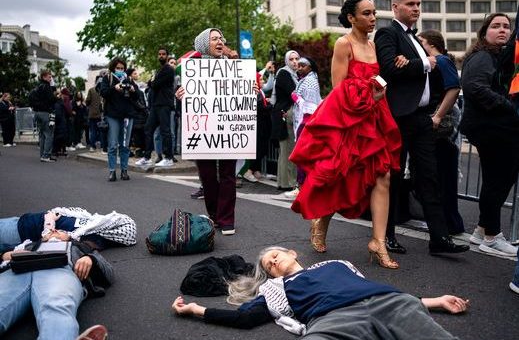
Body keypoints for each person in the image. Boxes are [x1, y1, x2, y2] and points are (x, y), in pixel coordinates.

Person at [290, 0, 400, 269]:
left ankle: (378, 241)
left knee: (382, 176)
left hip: (374, 118)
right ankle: (321, 221)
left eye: (374, 13)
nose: (373, 18)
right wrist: (367, 97)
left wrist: (377, 94)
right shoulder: (343, 43)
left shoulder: (374, 45)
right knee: (338, 176)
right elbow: (339, 89)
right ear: (352, 17)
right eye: (366, 13)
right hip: (347, 120)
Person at [173, 246, 468, 339]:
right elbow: (245, 317)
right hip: (332, 319)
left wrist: (436, 301)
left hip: (387, 302)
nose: (273, 261)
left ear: (291, 251)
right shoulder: (275, 287)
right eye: (268, 265)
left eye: (275, 254)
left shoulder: (336, 263)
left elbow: (363, 288)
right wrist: (197, 310)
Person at [374, 0, 469, 255]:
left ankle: (439, 239)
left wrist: (417, 63)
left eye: (418, 4)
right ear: (395, 7)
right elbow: (389, 68)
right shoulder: (387, 33)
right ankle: (387, 236)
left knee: (430, 177)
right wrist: (426, 63)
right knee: (392, 177)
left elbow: (412, 70)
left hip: (422, 118)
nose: (416, 8)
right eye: (410, 4)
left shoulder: (416, 39)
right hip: (399, 117)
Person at [459, 13, 519, 257]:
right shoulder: (483, 56)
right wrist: (510, 107)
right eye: (496, 26)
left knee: (497, 181)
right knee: (498, 182)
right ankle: (493, 237)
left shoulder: (495, 57)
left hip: (493, 129)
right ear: (484, 33)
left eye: (506, 26)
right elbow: (475, 88)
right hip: (492, 129)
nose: (503, 30)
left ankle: (482, 231)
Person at [175, 28, 239, 235]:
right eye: (214, 39)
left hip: (227, 127)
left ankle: (227, 219)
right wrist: (181, 95)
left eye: (221, 38)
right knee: (208, 174)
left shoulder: (234, 68)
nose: (220, 41)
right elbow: (184, 103)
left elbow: (242, 96)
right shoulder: (193, 70)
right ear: (204, 44)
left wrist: (251, 90)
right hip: (203, 130)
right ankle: (214, 216)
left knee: (228, 174)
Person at [0, 239, 114, 340]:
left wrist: (91, 259)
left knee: (56, 304)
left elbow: (109, 273)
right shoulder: (28, 245)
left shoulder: (78, 246)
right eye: (50, 231)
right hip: (18, 271)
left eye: (58, 230)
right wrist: (4, 255)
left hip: (59, 270)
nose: (53, 231)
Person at [416, 30, 464, 235]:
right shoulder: (437, 61)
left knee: (441, 178)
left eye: (421, 42)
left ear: (431, 44)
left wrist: (437, 116)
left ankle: (448, 224)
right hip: (439, 127)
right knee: (438, 177)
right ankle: (446, 223)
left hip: (440, 129)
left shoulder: (441, 61)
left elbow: (454, 88)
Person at [0, 206, 137, 253]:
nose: (112, 218)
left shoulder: (94, 239)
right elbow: (61, 211)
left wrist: (49, 223)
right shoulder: (90, 220)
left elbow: (53, 240)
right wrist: (51, 217)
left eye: (116, 223)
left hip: (21, 231)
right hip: (23, 220)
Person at [100, 57, 139, 182]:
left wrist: (133, 90)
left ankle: (124, 170)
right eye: (118, 68)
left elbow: (138, 96)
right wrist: (114, 88)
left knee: (125, 145)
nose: (120, 70)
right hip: (113, 116)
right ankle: (112, 171)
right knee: (112, 145)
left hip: (127, 116)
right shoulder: (108, 78)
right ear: (113, 68)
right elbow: (103, 92)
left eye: (122, 68)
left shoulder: (128, 79)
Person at [136, 48, 176, 168]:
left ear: (167, 56)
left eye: (163, 54)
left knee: (165, 131)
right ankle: (147, 157)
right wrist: (152, 82)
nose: (161, 56)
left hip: (164, 104)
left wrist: (152, 82)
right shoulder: (160, 70)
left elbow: (154, 84)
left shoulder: (168, 69)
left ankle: (168, 157)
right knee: (148, 128)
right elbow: (152, 83)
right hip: (156, 105)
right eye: (159, 54)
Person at [289, 57, 321, 198]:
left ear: (310, 67)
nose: (299, 67)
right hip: (304, 120)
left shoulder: (310, 82)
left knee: (301, 155)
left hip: (306, 121)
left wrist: (296, 97)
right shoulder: (308, 79)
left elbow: (310, 106)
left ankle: (302, 186)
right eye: (299, 65)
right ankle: (303, 185)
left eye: (303, 65)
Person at [271, 50, 300, 193]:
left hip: (285, 114)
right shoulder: (284, 73)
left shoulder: (293, 74)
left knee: (286, 151)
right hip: (285, 115)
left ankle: (284, 182)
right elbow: (294, 93)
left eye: (297, 59)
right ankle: (289, 182)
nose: (295, 62)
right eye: (292, 59)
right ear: (287, 61)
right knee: (288, 149)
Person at [29, 70, 57, 162]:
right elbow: (51, 99)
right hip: (45, 113)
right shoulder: (46, 86)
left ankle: (42, 155)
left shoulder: (37, 87)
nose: (51, 78)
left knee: (42, 135)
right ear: (44, 77)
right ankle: (46, 156)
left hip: (37, 113)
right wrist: (57, 96)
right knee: (49, 134)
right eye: (49, 77)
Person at [86, 73, 105, 152]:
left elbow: (87, 101)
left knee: (93, 131)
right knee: (101, 130)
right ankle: (102, 146)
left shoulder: (91, 90)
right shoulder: (103, 90)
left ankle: (92, 146)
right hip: (101, 114)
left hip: (92, 114)